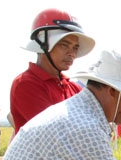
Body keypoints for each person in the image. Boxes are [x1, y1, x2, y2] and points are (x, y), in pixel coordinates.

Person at [9, 8, 95, 140]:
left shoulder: (73, 88)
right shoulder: (26, 84)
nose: (71, 53)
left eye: (75, 47)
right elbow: (56, 135)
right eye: (64, 45)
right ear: (42, 44)